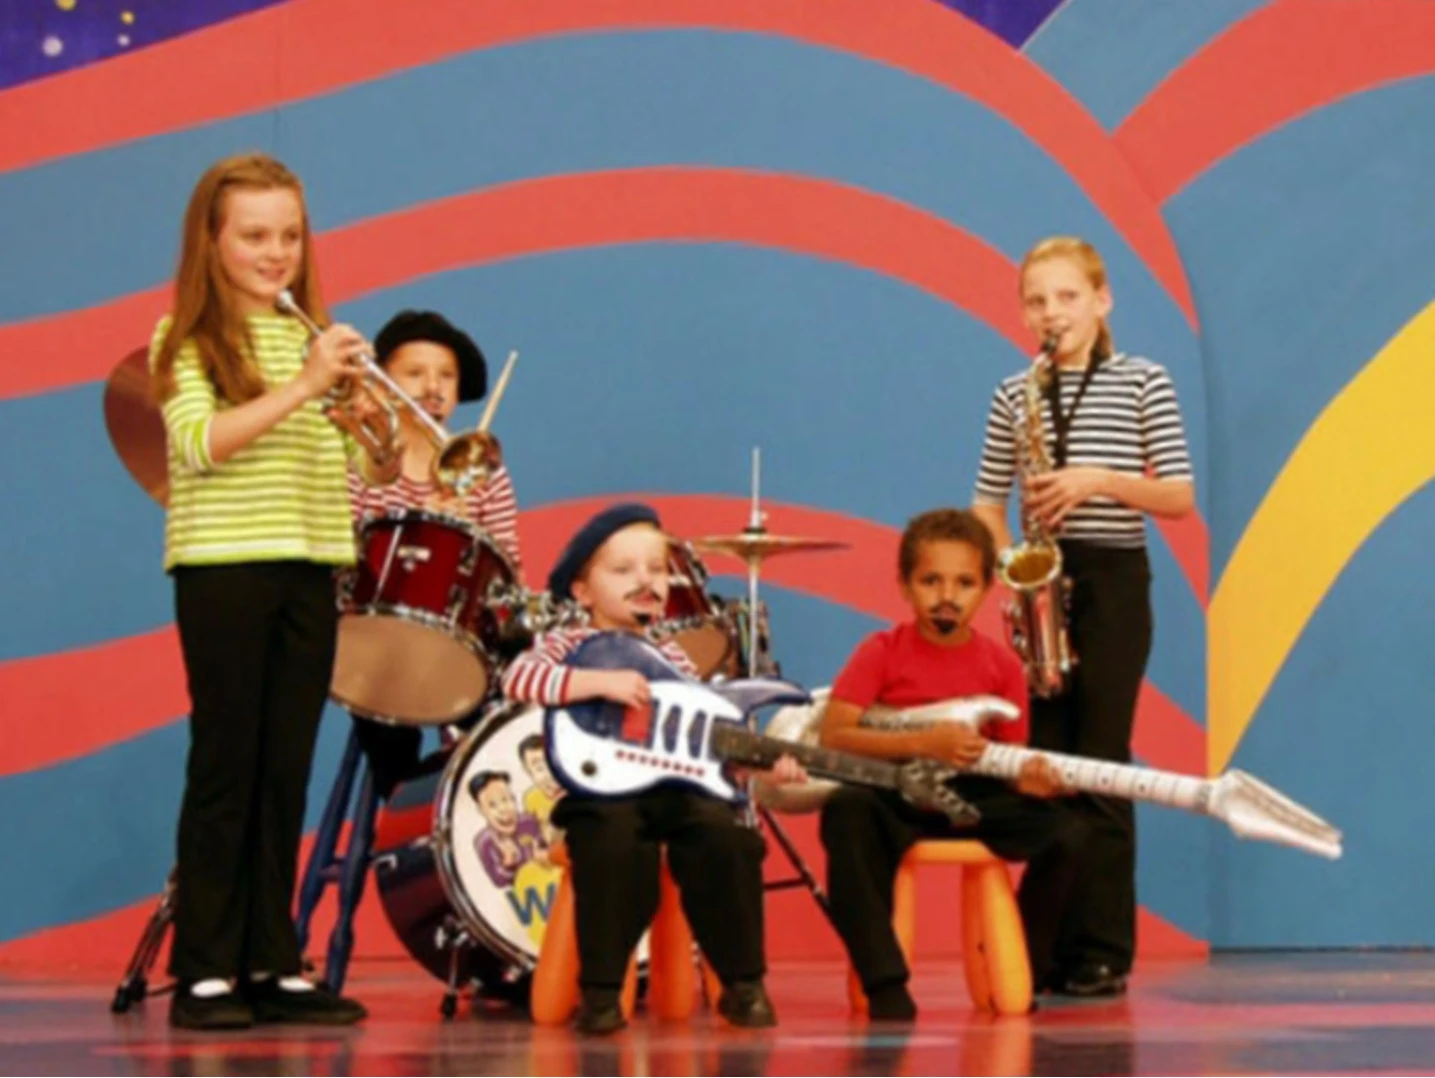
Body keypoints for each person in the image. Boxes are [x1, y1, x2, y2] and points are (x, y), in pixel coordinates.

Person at [149, 152, 378, 1030]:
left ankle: (270, 959)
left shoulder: (309, 338)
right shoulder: (184, 338)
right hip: (224, 568)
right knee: (226, 767)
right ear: (210, 242)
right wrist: (308, 384)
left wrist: (370, 426)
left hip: (309, 566)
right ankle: (204, 967)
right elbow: (201, 444)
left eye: (289, 235)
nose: (275, 252)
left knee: (285, 768)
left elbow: (362, 469)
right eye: (253, 235)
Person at [972, 235, 1195, 997]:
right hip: (1043, 586)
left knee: (1100, 759)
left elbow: (1177, 496)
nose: (1051, 312)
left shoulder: (1142, 380)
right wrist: (1011, 567)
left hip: (1113, 580)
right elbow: (985, 503)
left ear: (1101, 301)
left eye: (1066, 297)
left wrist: (1097, 480)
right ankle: (1042, 950)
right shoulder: (1014, 393)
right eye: (1036, 301)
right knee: (1046, 766)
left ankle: (1100, 950)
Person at [500, 502, 802, 1035]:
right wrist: (596, 683)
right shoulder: (569, 644)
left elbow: (699, 744)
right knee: (613, 845)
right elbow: (518, 679)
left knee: (725, 842)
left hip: (674, 789)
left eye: (658, 569)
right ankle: (601, 991)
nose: (646, 581)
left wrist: (755, 769)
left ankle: (743, 984)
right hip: (602, 794)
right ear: (582, 591)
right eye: (623, 570)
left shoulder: (675, 659)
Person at [818, 508, 1087, 1020]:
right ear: (904, 585)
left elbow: (1009, 758)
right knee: (846, 812)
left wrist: (1030, 782)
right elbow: (835, 735)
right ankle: (884, 981)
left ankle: (1020, 966)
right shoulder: (880, 651)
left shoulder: (1002, 665)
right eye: (931, 581)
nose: (947, 596)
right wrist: (925, 742)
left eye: (964, 583)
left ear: (987, 589)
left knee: (1069, 833)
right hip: (895, 793)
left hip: (970, 794)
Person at [341, 309, 525, 798]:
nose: (432, 388)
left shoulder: (484, 471)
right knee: (385, 715)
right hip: (380, 637)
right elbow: (344, 552)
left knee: (504, 713)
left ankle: (469, 793)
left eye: (446, 376)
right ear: (382, 384)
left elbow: (510, 571)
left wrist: (464, 528)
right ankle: (405, 806)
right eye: (414, 373)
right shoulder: (358, 462)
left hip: (466, 638)